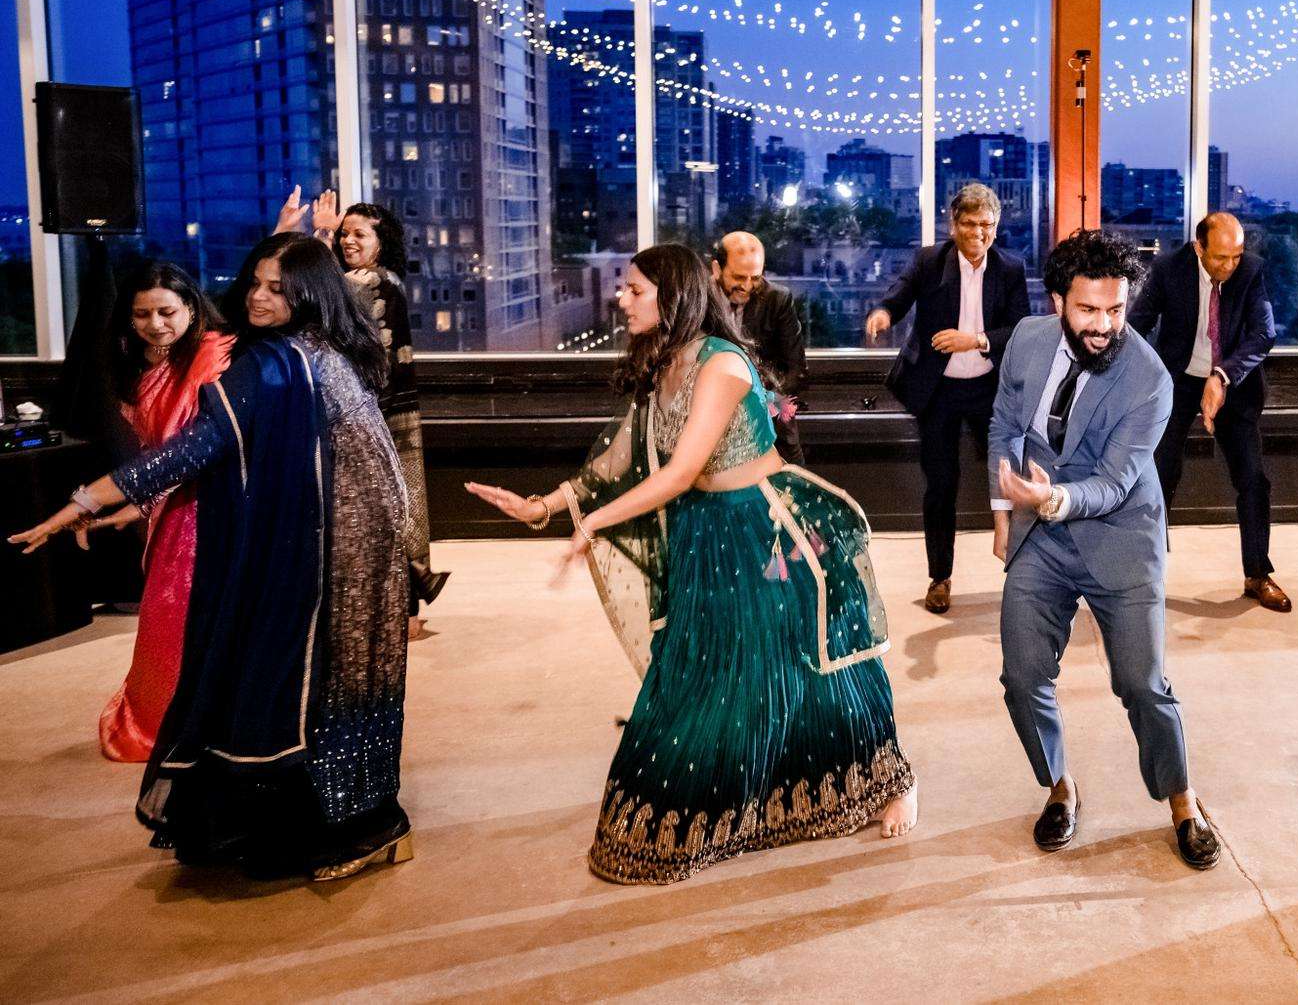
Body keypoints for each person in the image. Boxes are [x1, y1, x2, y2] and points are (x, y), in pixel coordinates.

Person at [466, 244, 916, 885]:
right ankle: (732, 794)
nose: (622, 299)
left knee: (804, 658)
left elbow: (679, 471)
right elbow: (620, 457)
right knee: (701, 665)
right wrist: (544, 506)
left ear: (673, 296)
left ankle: (887, 779)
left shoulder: (723, 363)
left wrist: (594, 521)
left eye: (635, 290)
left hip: (761, 529)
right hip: (704, 532)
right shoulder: (666, 362)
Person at [12, 235, 412, 881]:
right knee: (331, 684)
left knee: (288, 681)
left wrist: (83, 498)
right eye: (255, 281)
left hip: (324, 547)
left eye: (277, 287)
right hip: (352, 539)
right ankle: (365, 820)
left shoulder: (278, 364)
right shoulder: (319, 353)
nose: (258, 296)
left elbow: (193, 449)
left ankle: (355, 827)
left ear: (310, 293)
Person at [989, 230, 1221, 870]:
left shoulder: (1148, 377)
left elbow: (1118, 480)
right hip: (1040, 534)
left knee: (1142, 684)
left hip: (1119, 535)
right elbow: (1006, 425)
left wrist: (1051, 500)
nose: (1104, 325)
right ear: (1057, 299)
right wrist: (1005, 509)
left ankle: (1182, 799)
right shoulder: (1027, 342)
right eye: (1089, 310)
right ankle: (1060, 788)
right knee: (1022, 676)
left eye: (1116, 310)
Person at [277, 188, 447, 627]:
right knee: (382, 512)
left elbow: (313, 294)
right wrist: (323, 235)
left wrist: (310, 235)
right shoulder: (377, 281)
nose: (348, 241)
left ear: (381, 243)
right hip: (370, 416)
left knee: (376, 515)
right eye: (344, 234)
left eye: (359, 235)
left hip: (374, 420)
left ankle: (395, 608)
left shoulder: (372, 283)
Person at [865, 183, 1031, 614]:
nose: (980, 233)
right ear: (953, 225)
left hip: (988, 389)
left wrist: (973, 339)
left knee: (1010, 479)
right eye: (971, 224)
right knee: (941, 486)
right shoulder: (929, 260)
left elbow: (1019, 329)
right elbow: (900, 294)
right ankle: (940, 577)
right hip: (938, 390)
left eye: (988, 225)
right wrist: (883, 313)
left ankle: (1027, 572)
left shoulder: (1009, 268)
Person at [91, 262, 233, 762]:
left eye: (167, 311)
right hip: (168, 507)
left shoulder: (215, 357)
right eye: (142, 314)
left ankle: (214, 721)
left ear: (192, 308)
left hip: (218, 504)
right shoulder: (134, 366)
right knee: (166, 617)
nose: (156, 324)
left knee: (206, 614)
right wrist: (140, 502)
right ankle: (161, 718)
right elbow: (153, 450)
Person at [1128, 212, 1287, 611]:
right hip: (1178, 381)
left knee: (1253, 478)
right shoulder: (1168, 268)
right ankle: (1146, 574)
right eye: (1220, 258)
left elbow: (1263, 334)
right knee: (1161, 475)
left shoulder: (1251, 271)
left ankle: (1257, 573)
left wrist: (1221, 376)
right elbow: (1138, 324)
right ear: (1200, 248)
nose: (1229, 266)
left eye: (1236, 256)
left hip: (1233, 381)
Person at [712, 230, 808, 463]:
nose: (747, 286)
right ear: (716, 269)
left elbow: (797, 371)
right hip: (712, 425)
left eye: (755, 277)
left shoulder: (778, 299)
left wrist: (759, 403)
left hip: (772, 428)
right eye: (738, 277)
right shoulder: (700, 300)